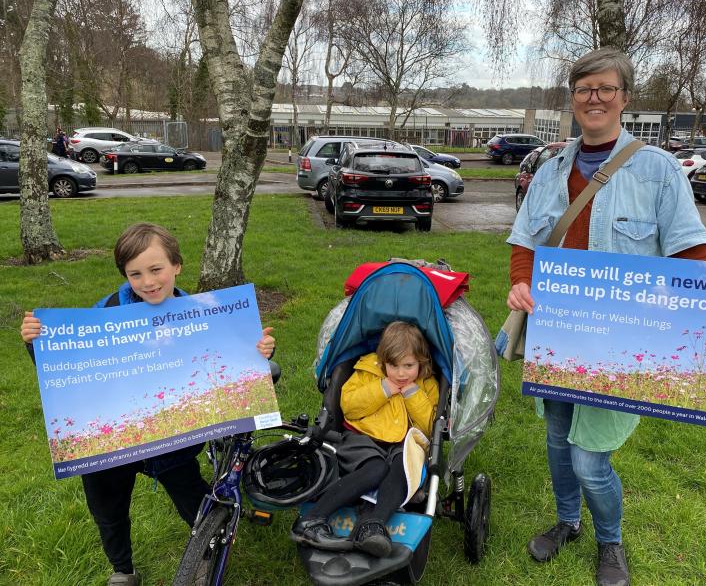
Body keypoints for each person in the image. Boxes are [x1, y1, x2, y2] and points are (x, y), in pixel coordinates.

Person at [506, 48, 706, 586]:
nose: (594, 98)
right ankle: (568, 522)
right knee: (556, 438)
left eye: (605, 89)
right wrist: (520, 282)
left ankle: (610, 542)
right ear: (573, 98)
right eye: (584, 89)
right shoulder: (550, 169)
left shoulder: (658, 169)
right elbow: (526, 242)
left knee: (591, 459)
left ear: (625, 98)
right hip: (559, 334)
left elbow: (693, 255)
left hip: (621, 343)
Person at [20, 223, 277, 586]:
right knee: (107, 511)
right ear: (125, 275)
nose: (148, 281)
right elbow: (71, 369)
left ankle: (206, 550)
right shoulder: (107, 311)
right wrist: (38, 345)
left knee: (197, 506)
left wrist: (262, 351)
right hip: (112, 446)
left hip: (175, 444)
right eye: (135, 273)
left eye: (156, 269)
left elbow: (236, 359)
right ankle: (123, 570)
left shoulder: (207, 316)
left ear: (177, 266)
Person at [291, 321, 439, 558]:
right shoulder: (366, 372)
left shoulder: (427, 385)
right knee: (376, 468)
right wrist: (382, 389)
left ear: (421, 362)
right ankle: (312, 518)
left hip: (403, 443)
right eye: (394, 366)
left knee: (404, 467)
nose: (401, 374)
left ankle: (372, 524)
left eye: (409, 366)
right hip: (362, 438)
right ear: (382, 362)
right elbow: (349, 407)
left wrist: (412, 394)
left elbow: (430, 426)